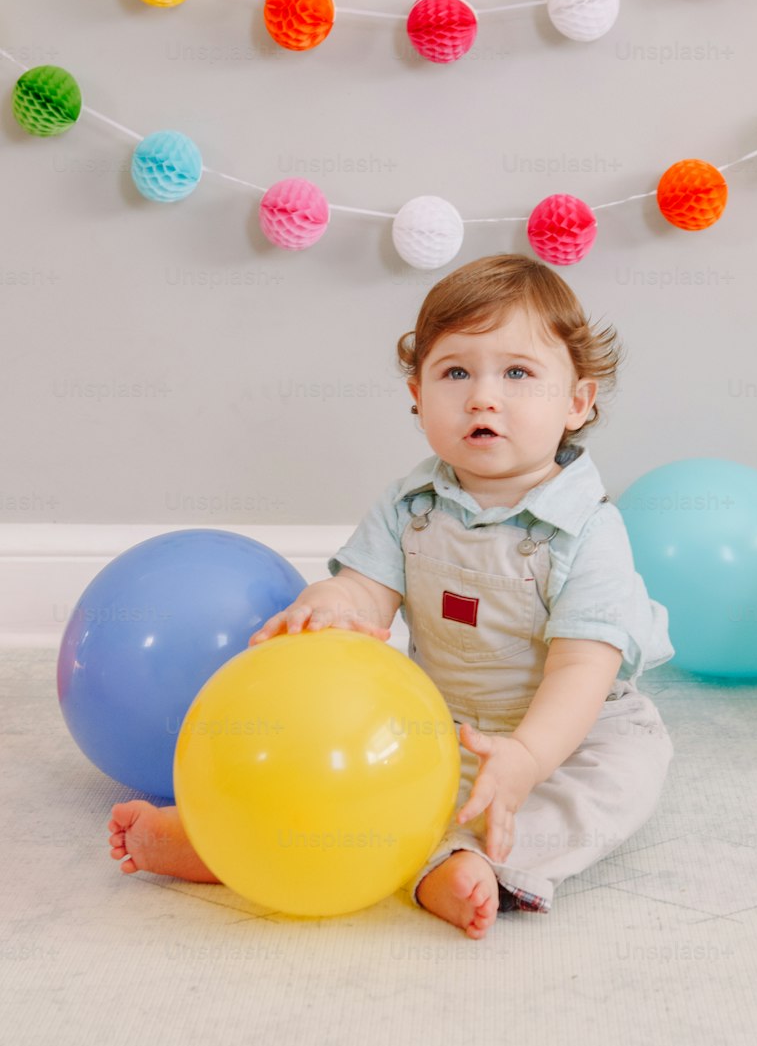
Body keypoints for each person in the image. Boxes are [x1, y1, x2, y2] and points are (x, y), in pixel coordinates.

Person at [107, 253, 674, 938]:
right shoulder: (411, 506)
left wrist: (525, 758)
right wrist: (329, 606)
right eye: (455, 372)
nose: (483, 397)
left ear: (576, 403)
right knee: (338, 762)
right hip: (434, 722)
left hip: (572, 732)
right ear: (417, 395)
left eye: (517, 374)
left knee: (620, 783)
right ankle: (228, 835)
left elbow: (584, 668)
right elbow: (364, 593)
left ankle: (471, 859)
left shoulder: (589, 529)